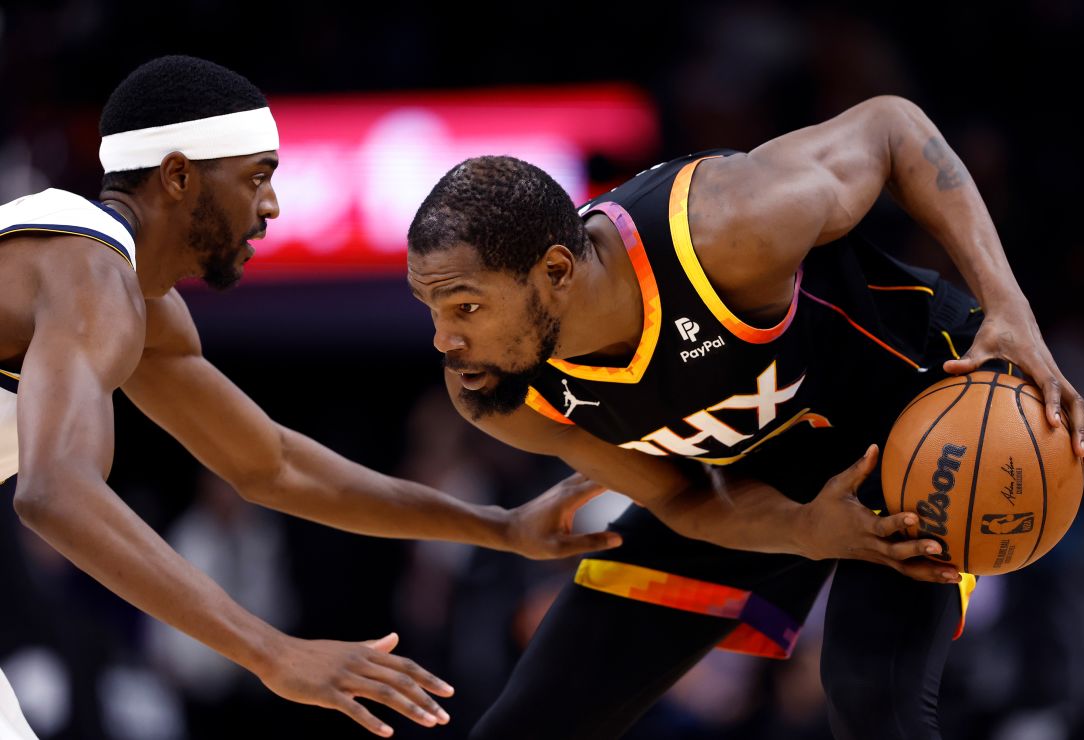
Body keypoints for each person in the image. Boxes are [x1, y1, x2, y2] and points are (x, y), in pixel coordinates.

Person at [405, 95, 1084, 740]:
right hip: (750, 469)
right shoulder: (494, 388)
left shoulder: (727, 228)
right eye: (429, 307)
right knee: (536, 716)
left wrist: (1009, 306)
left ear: (556, 272)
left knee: (870, 695)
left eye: (465, 307)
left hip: (915, 411)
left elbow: (891, 128)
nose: (443, 340)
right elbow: (679, 495)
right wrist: (800, 529)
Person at [0, 55, 621, 740]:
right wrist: (272, 652)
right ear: (178, 176)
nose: (271, 206)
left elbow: (271, 465)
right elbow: (54, 492)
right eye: (257, 177)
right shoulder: (88, 271)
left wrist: (495, 527)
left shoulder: (135, 300)